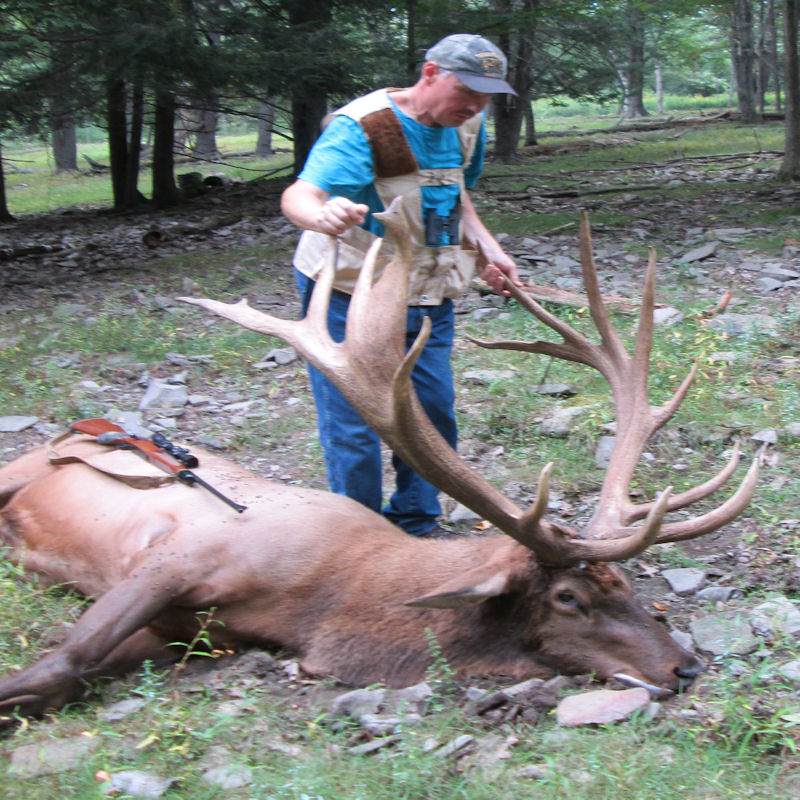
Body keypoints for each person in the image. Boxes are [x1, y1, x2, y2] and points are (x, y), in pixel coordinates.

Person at [281, 33, 521, 537]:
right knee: (355, 423)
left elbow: (456, 192)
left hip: (427, 289)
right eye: (467, 91)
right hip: (352, 291)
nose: (476, 105)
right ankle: (360, 535)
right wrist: (321, 215)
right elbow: (299, 195)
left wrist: (485, 248)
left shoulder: (466, 124)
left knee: (431, 411)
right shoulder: (366, 126)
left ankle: (416, 523)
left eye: (486, 95)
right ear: (430, 73)